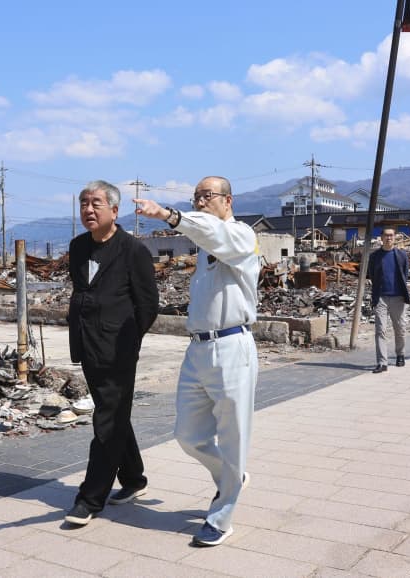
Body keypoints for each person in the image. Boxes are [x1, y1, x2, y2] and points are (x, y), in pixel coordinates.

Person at [134, 176, 259, 547]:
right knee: (188, 435)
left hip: (232, 346)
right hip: (198, 348)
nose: (201, 202)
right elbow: (206, 233)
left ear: (228, 200)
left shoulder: (241, 236)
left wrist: (169, 215)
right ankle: (231, 477)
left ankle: (221, 518)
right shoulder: (205, 245)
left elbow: (214, 233)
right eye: (197, 197)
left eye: (208, 196)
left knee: (234, 435)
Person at [64, 180, 159, 526]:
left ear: (114, 211)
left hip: (119, 349)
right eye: (84, 203)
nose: (89, 210)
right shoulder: (77, 247)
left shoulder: (132, 250)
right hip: (87, 345)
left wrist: (129, 340)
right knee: (113, 412)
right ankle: (133, 480)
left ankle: (90, 498)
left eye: (96, 204)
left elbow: (148, 305)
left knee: (106, 419)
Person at [367, 227, 410, 373]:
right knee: (380, 330)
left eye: (391, 235)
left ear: (395, 237)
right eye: (386, 235)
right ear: (381, 237)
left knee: (400, 329)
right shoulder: (374, 257)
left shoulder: (402, 255)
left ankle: (400, 354)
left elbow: (405, 274)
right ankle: (382, 362)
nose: (388, 238)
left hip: (398, 297)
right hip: (381, 298)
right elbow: (372, 275)